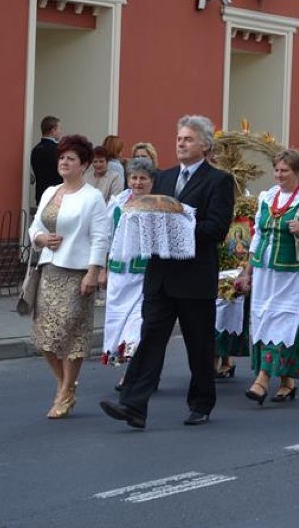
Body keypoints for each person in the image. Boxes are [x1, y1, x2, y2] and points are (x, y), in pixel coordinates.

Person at [99, 115, 235, 429]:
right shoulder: (163, 177)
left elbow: (215, 229)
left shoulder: (219, 180)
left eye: (188, 139)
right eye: (178, 139)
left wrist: (178, 222)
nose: (181, 143)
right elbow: (148, 217)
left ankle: (201, 403)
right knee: (150, 340)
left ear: (205, 144)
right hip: (160, 275)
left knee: (199, 344)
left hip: (194, 276)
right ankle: (133, 405)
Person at [234, 149, 299, 405]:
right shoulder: (268, 197)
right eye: (277, 170)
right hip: (266, 272)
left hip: (294, 273)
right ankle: (286, 382)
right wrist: (247, 271)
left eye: (285, 171)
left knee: (285, 324)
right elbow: (257, 236)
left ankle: (262, 380)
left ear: (298, 173)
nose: (279, 175)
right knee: (264, 321)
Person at [29, 134, 110, 418]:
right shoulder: (51, 191)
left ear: (84, 165)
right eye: (62, 157)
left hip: (78, 274)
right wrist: (40, 238)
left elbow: (101, 238)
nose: (64, 162)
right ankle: (66, 385)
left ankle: (64, 395)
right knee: (44, 339)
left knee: (71, 333)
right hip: (49, 271)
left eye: (70, 159)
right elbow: (35, 225)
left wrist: (93, 272)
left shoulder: (93, 198)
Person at [100, 157, 157, 386]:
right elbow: (105, 237)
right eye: (134, 177)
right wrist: (102, 269)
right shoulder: (117, 203)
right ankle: (138, 371)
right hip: (118, 275)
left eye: (143, 178)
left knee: (138, 324)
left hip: (145, 275)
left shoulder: (158, 205)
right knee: (118, 323)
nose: (137, 182)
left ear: (152, 181)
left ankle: (132, 374)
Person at [30, 115, 62, 203]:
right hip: (57, 197)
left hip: (41, 196)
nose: (60, 132)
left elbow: (32, 177)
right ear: (53, 131)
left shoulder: (35, 150)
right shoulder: (59, 150)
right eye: (59, 129)